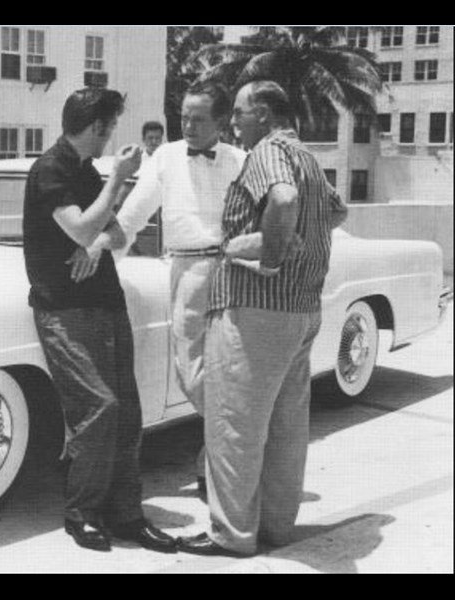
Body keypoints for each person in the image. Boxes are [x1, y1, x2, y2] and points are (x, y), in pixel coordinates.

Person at [177, 80, 349, 556]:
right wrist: (286, 242)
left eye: (238, 113)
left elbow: (284, 200)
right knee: (286, 429)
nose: (233, 122)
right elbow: (337, 211)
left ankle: (231, 535)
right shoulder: (308, 156)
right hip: (302, 310)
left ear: (266, 114)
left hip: (256, 309)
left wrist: (265, 254)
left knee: (235, 427)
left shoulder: (270, 151)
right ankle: (275, 527)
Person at [22, 88, 177, 553]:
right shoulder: (50, 169)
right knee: (99, 408)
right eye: (110, 126)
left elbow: (110, 229)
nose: (113, 137)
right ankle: (83, 512)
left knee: (127, 410)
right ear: (97, 127)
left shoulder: (87, 172)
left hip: (106, 302)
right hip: (65, 308)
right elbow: (84, 224)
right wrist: (118, 184)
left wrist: (96, 242)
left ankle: (127, 512)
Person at [74, 82, 247, 499]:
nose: (187, 125)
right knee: (191, 374)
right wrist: (98, 254)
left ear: (222, 122)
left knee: (233, 373)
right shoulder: (166, 158)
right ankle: (238, 448)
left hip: (238, 271)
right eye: (183, 117)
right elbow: (130, 220)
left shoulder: (243, 161)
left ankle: (218, 467)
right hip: (188, 271)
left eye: (198, 118)